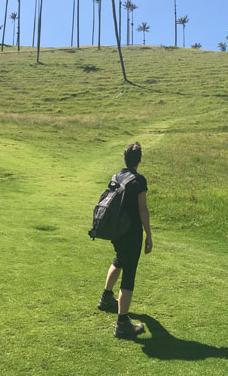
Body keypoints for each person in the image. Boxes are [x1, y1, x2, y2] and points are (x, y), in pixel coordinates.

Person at [97, 142, 153, 338]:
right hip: (131, 232)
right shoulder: (139, 181)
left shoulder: (116, 176)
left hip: (116, 231)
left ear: (125, 159)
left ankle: (106, 298)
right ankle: (122, 323)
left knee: (119, 259)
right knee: (129, 274)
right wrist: (149, 234)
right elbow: (142, 209)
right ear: (139, 160)